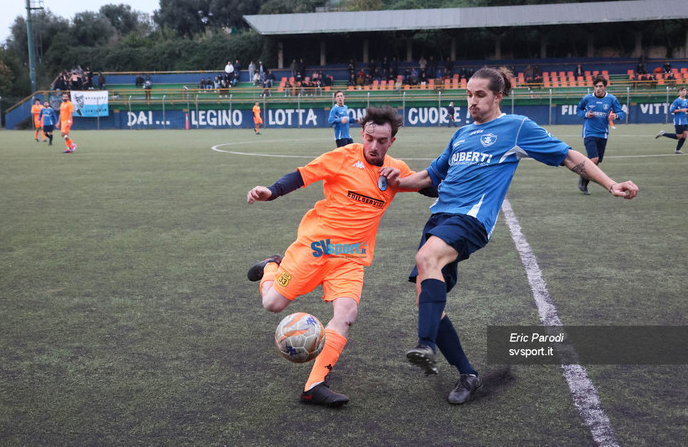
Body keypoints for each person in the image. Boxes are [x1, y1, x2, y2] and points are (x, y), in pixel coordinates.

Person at [383, 67, 638, 406]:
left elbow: (569, 156)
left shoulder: (517, 127)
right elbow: (430, 176)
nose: (472, 102)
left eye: (480, 95)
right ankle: (468, 374)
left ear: (497, 96)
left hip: (471, 219)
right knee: (428, 298)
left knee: (426, 259)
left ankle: (425, 345)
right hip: (439, 219)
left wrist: (610, 184)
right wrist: (393, 181)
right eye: (469, 95)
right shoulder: (460, 134)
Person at [246, 106, 416, 408]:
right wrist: (271, 192)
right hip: (315, 248)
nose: (374, 146)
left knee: (346, 316)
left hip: (351, 259)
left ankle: (314, 385)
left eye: (382, 141)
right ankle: (272, 266)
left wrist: (403, 181)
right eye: (369, 138)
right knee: (272, 304)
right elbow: (302, 176)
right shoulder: (343, 157)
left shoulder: (395, 170)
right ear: (362, 135)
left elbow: (429, 186)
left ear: (392, 141)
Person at [576, 75, 625, 194]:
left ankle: (583, 180)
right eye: (596, 86)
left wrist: (616, 116)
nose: (598, 88)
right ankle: (583, 183)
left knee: (596, 162)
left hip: (603, 134)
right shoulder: (587, 98)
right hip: (589, 133)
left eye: (601, 86)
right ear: (594, 87)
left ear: (605, 87)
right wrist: (586, 114)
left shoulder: (611, 99)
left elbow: (621, 112)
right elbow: (578, 110)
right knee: (594, 159)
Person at [655, 86, 688, 154]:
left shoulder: (687, 101)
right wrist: (681, 110)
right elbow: (672, 110)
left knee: (684, 135)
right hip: (678, 120)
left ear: (686, 92)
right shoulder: (676, 101)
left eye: (684, 90)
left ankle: (677, 150)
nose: (683, 92)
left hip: (684, 120)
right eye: (681, 91)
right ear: (679, 93)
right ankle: (663, 134)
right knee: (679, 136)